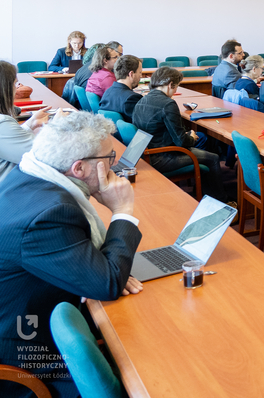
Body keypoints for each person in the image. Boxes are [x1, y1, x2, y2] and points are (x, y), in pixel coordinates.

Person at [0, 112, 143, 397]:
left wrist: (98, 268)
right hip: (27, 356)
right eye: (110, 157)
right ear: (79, 169)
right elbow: (108, 285)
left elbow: (98, 275)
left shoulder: (27, 176)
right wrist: (123, 212)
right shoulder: (49, 214)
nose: (115, 165)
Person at [132, 67, 229, 200]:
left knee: (202, 147)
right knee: (213, 158)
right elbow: (181, 142)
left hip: (147, 153)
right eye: (176, 87)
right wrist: (191, 137)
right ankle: (220, 202)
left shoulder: (142, 100)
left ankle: (202, 190)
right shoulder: (168, 104)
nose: (175, 91)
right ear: (170, 84)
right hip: (163, 156)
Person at [1, 60, 51, 182]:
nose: (16, 89)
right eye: (15, 84)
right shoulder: (3, 123)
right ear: (5, 88)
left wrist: (30, 124)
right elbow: (42, 155)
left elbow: (9, 141)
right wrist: (57, 127)